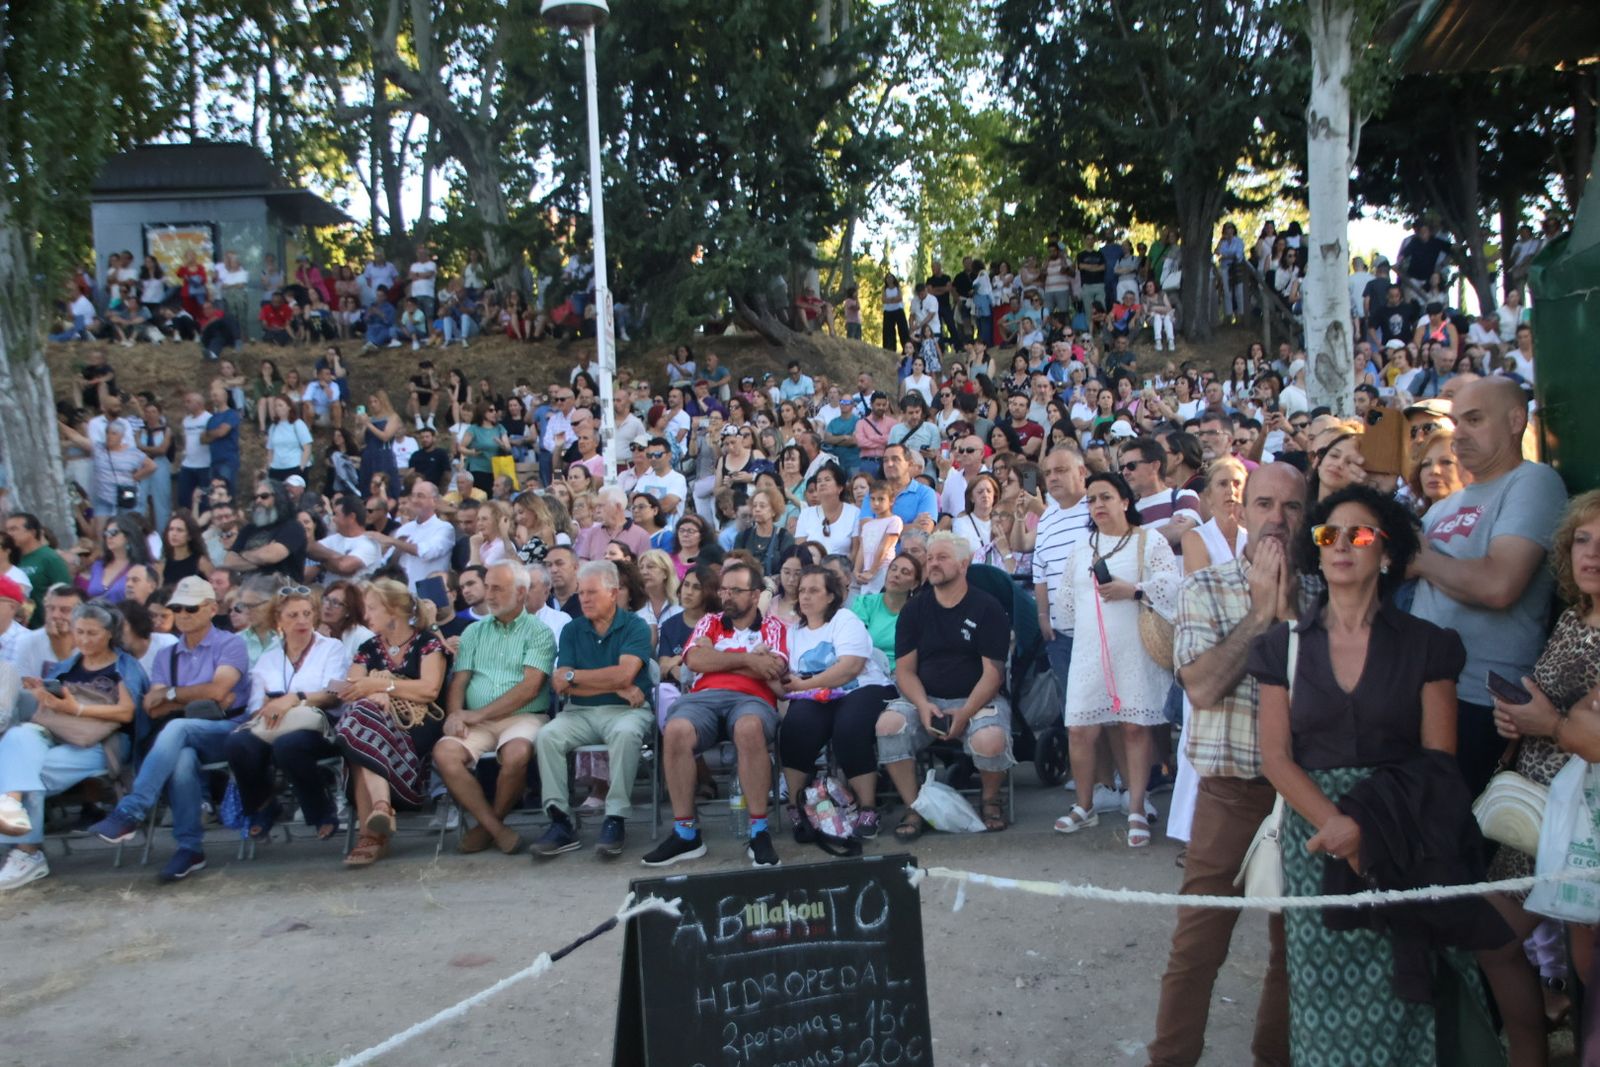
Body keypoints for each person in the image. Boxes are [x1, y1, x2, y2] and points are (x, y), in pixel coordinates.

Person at [1248, 485, 1502, 1065]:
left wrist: (1369, 827)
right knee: (1320, 1001)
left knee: (1406, 1000)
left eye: (1359, 534)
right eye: (1328, 534)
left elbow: (1438, 761)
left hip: (1404, 835)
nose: (1342, 545)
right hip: (1316, 844)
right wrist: (1337, 825)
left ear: (1386, 551)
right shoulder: (1280, 647)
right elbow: (1276, 757)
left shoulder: (1429, 646)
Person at [1144, 463, 1303, 1067]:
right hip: (1232, 791)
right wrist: (1263, 615)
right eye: (1265, 504)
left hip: (1309, 797)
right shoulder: (1205, 588)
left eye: (1292, 508)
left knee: (1296, 948)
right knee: (1198, 944)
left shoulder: (1327, 590)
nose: (1277, 520)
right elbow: (1203, 687)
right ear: (1242, 511)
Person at [1473, 491, 1600, 1066]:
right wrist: (1520, 719)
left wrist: (1546, 721)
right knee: (1496, 939)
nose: (1592, 554)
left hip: (1586, 824)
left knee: (1588, 968)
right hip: (1536, 816)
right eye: (1583, 540)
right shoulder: (1575, 616)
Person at [1410, 378, 1568, 795]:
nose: (1459, 433)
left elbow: (1500, 583)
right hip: (1418, 690)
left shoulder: (1533, 482)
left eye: (1474, 420)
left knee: (1457, 842)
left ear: (1516, 420)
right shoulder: (1442, 507)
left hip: (1482, 702)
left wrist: (1423, 560)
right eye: (1456, 421)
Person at [86, 577, 250, 882]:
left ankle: (133, 810)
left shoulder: (231, 643)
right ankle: (189, 848)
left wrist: (173, 695)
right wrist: (197, 696)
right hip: (189, 733)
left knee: (178, 728)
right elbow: (152, 706)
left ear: (212, 608)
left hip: (229, 729)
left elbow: (218, 690)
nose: (183, 614)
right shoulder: (167, 655)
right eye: (177, 608)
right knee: (182, 756)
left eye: (191, 607)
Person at [1051, 472, 1180, 847]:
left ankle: (1137, 807)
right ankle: (1084, 806)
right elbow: (1067, 602)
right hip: (1090, 650)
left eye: (1105, 497)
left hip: (1134, 648)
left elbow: (1171, 587)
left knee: (1134, 727)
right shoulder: (1082, 544)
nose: (1097, 505)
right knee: (1080, 728)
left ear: (1125, 501)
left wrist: (1134, 590)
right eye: (1091, 500)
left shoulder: (1148, 539)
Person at [642, 559, 790, 868]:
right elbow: (694, 661)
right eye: (724, 589)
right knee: (677, 729)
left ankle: (759, 830)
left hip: (752, 698)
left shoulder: (772, 626)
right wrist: (750, 659)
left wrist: (718, 654)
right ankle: (685, 834)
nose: (727, 596)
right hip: (704, 698)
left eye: (737, 590)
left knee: (749, 728)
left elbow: (773, 667)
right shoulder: (708, 621)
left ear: (755, 595)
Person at [875, 532, 1013, 839]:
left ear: (964, 564)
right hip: (925, 699)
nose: (933, 564)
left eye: (942, 557)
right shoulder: (914, 609)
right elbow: (905, 671)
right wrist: (923, 705)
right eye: (930, 558)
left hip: (976, 698)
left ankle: (990, 799)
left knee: (990, 740)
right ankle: (917, 805)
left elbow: (993, 674)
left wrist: (965, 712)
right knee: (889, 725)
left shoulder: (987, 608)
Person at [0, 601, 144, 890]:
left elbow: (127, 713)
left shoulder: (124, 665)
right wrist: (41, 692)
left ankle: (28, 853)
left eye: (93, 633)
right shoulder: (69, 664)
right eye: (80, 632)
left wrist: (76, 708)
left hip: (104, 744)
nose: (85, 639)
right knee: (18, 738)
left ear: (109, 633)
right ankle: (19, 833)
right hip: (58, 734)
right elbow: (53, 706)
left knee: (25, 776)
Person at [532, 561, 655, 859]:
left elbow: (624, 674)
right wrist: (612, 683)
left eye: (591, 593)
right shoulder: (573, 629)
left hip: (626, 711)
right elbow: (561, 684)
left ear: (613, 593)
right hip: (580, 712)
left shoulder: (635, 625)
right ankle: (560, 821)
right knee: (547, 735)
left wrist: (578, 678)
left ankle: (615, 817)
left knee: (626, 734)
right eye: (581, 593)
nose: (583, 599)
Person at [433, 561, 555, 855]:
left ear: (522, 592)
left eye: (497, 588)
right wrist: (453, 716)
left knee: (516, 754)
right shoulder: (474, 632)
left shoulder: (540, 632)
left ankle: (488, 826)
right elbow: (459, 682)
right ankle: (495, 828)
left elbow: (530, 688)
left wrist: (476, 715)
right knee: (444, 753)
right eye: (487, 587)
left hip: (522, 716)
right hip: (479, 721)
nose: (489, 594)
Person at [332, 578, 448, 866]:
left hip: (417, 725)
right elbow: (348, 687)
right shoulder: (368, 647)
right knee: (363, 722)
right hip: (375, 724)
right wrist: (373, 693)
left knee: (359, 734)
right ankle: (381, 809)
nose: (366, 615)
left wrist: (383, 687)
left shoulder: (427, 643)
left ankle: (370, 836)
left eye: (372, 608)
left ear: (393, 611)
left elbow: (429, 690)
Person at [777, 565, 896, 839]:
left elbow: (849, 668)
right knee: (795, 727)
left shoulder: (845, 619)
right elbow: (786, 673)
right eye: (803, 590)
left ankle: (868, 808)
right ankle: (796, 808)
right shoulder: (794, 631)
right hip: (818, 695)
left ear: (831, 596)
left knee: (849, 728)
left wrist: (804, 684)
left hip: (862, 688)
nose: (805, 596)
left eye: (814, 590)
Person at [224, 585, 350, 841]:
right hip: (273, 723)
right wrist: (270, 707)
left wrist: (293, 699)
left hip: (318, 725)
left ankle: (320, 811)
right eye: (293, 615)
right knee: (237, 743)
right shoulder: (269, 658)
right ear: (278, 620)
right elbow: (255, 707)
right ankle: (263, 805)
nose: (302, 621)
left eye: (307, 613)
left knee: (288, 745)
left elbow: (331, 696)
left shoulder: (331, 648)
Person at [370, 480, 454, 592]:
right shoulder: (405, 528)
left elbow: (427, 552)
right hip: (402, 593)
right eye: (413, 496)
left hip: (429, 593)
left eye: (420, 496)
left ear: (434, 501)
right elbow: (387, 562)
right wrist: (391, 549)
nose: (414, 500)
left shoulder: (444, 528)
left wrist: (394, 541)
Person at [224, 480, 307, 581]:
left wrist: (244, 554)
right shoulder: (248, 529)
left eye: (264, 496)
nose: (258, 501)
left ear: (278, 498)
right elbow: (229, 562)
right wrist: (263, 561)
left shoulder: (293, 527)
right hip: (247, 587)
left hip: (282, 590)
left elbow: (271, 556)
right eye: (255, 497)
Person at [6, 516, 70, 628]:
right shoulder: (11, 559)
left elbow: (66, 590)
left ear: (32, 532)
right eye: (7, 530)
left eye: (14, 529)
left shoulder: (49, 557)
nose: (9, 534)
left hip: (44, 627)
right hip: (15, 628)